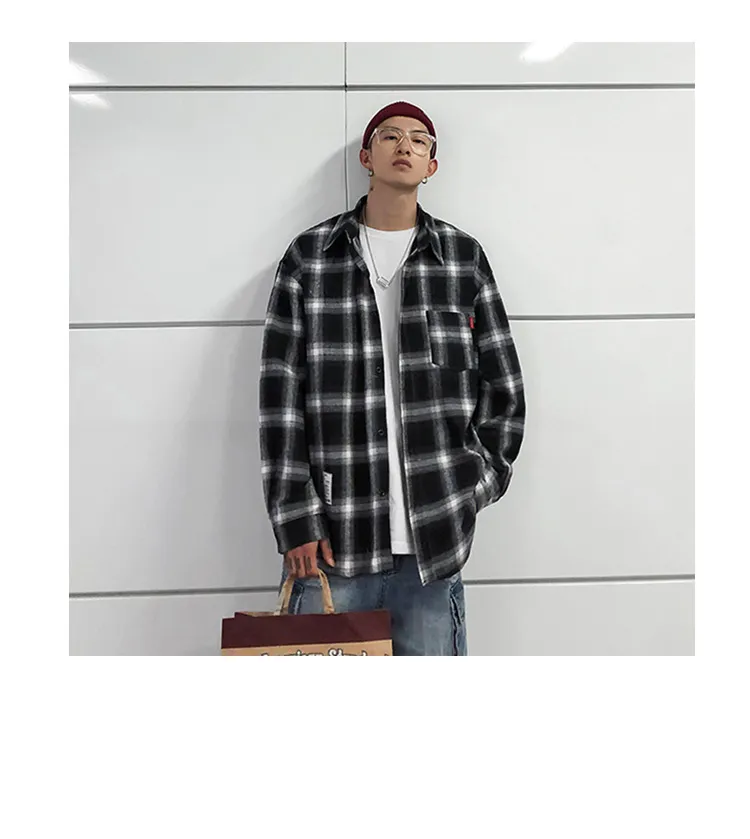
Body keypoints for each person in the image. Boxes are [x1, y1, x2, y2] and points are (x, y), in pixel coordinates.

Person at [259, 101, 525, 655]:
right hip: (334, 546)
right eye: (389, 136)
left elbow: (503, 391)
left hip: (434, 547)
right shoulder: (310, 258)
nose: (405, 146)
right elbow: (280, 399)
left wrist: (469, 490)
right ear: (366, 156)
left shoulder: (462, 259)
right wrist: (295, 516)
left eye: (419, 140)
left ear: (432, 166)